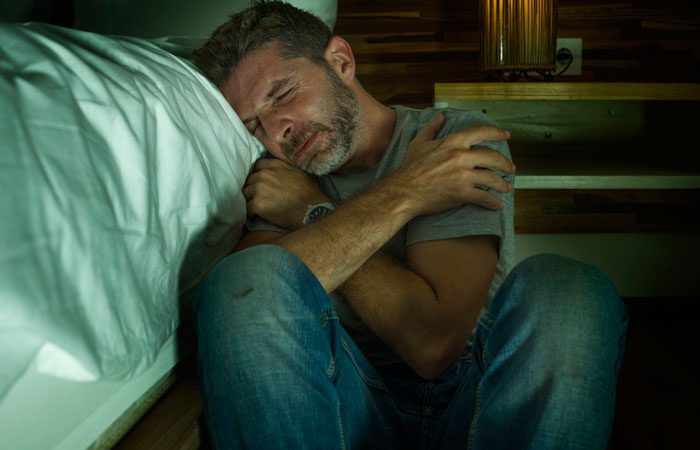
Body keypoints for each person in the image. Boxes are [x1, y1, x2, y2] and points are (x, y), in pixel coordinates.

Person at [191, 2, 628, 449]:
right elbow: (252, 299)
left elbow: (432, 343)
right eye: (252, 124)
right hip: (342, 398)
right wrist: (409, 192)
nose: (276, 131)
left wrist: (311, 214)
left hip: (476, 397)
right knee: (243, 276)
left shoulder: (450, 136)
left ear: (340, 61)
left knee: (572, 287)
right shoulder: (278, 181)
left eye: (282, 94)